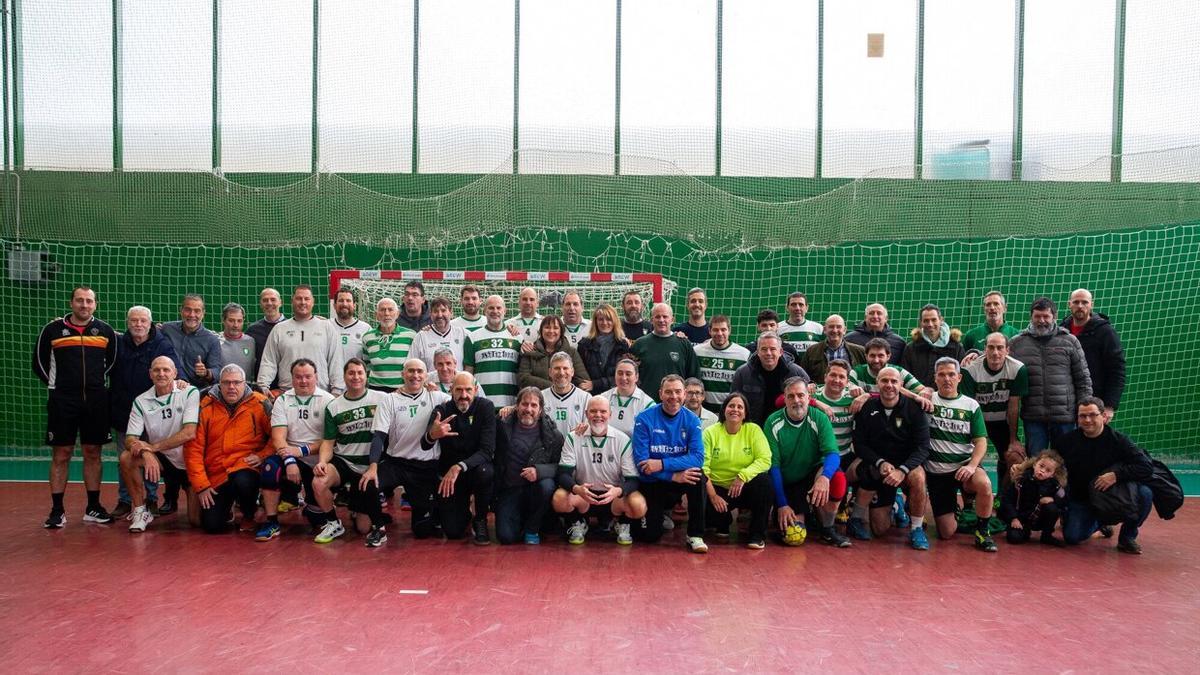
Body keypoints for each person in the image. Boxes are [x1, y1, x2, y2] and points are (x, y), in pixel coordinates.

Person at [34, 286, 118, 528]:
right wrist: (59, 388)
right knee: (62, 454)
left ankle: (93, 507)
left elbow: (111, 363)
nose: (84, 305)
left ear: (95, 304)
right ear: (71, 303)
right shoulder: (52, 330)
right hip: (63, 401)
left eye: (89, 301)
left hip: (95, 401)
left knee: (93, 452)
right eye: (80, 300)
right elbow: (39, 363)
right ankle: (57, 510)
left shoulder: (105, 331)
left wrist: (95, 386)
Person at [364, 358, 451, 544]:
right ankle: (378, 529)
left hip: (425, 468)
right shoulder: (390, 400)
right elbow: (379, 436)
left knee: (422, 532)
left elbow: (465, 400)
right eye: (411, 371)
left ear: (426, 375)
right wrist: (372, 467)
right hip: (397, 463)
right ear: (403, 374)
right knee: (369, 483)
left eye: (420, 371)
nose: (415, 375)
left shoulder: (437, 397)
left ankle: (430, 516)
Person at [847, 367, 932, 550]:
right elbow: (860, 444)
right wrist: (880, 462)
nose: (889, 385)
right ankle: (890, 506)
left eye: (894, 381)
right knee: (880, 529)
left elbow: (923, 448)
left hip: (905, 463)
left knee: (918, 477)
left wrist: (903, 470)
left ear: (901, 385)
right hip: (880, 463)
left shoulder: (914, 409)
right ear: (877, 384)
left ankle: (916, 528)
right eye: (884, 381)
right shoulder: (867, 407)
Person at [1056, 397, 1153, 554]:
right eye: (1082, 416)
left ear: (1104, 416)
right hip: (1083, 499)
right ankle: (1100, 523)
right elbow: (1049, 461)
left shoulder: (1120, 441)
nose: (1088, 420)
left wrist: (1116, 475)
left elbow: (1146, 466)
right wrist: (1023, 467)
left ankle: (1127, 537)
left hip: (1113, 496)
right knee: (1072, 537)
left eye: (1093, 415)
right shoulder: (1066, 441)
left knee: (1145, 494)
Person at [109, 305, 181, 517]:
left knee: (150, 456)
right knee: (126, 456)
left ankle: (150, 499)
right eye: (134, 321)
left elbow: (173, 370)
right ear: (127, 323)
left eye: (142, 321)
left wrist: (182, 381)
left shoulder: (161, 344)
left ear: (150, 324)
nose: (138, 325)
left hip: (153, 412)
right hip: (123, 409)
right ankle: (124, 500)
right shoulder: (117, 343)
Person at [311, 358, 391, 545]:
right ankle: (333, 523)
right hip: (345, 462)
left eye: (359, 372)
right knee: (319, 481)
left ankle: (361, 507)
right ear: (344, 377)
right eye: (351, 373)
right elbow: (329, 441)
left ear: (366, 375)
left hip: (372, 464)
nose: (356, 377)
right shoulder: (334, 406)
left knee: (363, 529)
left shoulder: (382, 399)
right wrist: (322, 461)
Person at [254, 359, 336, 541]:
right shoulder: (283, 400)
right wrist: (291, 460)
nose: (303, 381)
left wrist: (302, 451)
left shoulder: (328, 401)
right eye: (298, 377)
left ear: (316, 377)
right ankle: (272, 522)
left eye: (308, 376)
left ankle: (314, 506)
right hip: (289, 456)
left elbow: (330, 439)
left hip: (318, 459)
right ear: (292, 379)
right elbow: (278, 438)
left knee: (317, 519)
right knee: (269, 468)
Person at [184, 364, 271, 534]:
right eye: (227, 383)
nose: (232, 387)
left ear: (245, 383)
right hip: (217, 473)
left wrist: (262, 455)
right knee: (212, 526)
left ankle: (248, 514)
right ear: (219, 384)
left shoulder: (260, 403)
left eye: (237, 382)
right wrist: (201, 486)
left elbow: (278, 436)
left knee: (243, 481)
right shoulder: (205, 407)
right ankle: (227, 507)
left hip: (245, 466)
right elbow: (192, 450)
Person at [765, 378, 851, 547]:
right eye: (791, 396)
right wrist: (782, 504)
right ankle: (803, 514)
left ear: (808, 397)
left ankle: (828, 528)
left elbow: (833, 454)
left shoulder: (819, 417)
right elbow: (773, 467)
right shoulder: (773, 422)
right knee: (794, 536)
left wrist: (824, 478)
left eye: (800, 395)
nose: (796, 400)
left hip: (812, 474)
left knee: (838, 478)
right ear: (785, 398)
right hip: (788, 481)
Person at [923, 358, 998, 552]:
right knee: (947, 533)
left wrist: (972, 466)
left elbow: (981, 441)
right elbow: (899, 390)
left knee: (985, 484)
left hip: (963, 466)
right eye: (941, 375)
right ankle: (953, 509)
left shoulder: (971, 405)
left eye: (951, 374)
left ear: (959, 377)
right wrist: (922, 391)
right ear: (935, 378)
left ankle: (982, 531)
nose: (947, 379)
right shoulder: (927, 401)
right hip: (937, 473)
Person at [118, 356, 200, 532]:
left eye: (166, 370)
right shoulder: (141, 401)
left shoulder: (190, 392)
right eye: (156, 370)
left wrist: (151, 447)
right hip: (164, 460)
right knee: (127, 458)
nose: (161, 374)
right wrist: (146, 453)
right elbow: (130, 439)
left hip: (192, 462)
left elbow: (189, 433)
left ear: (175, 373)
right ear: (150, 374)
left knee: (197, 521)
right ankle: (141, 512)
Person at [631, 375, 708, 553]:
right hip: (653, 481)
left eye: (677, 392)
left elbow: (697, 458)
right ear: (660, 394)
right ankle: (659, 517)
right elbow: (642, 464)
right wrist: (672, 475)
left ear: (685, 394)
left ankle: (695, 534)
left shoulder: (692, 420)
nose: (673, 396)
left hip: (676, 478)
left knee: (698, 475)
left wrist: (662, 464)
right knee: (648, 536)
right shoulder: (644, 418)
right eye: (668, 392)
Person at [554, 396, 645, 545]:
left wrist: (618, 491)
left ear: (610, 414)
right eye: (593, 411)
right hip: (584, 496)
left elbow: (633, 480)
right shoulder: (574, 437)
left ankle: (621, 523)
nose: (598, 415)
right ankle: (578, 523)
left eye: (603, 411)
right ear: (586, 413)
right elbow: (563, 474)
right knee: (559, 498)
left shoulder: (622, 439)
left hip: (612, 497)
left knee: (638, 504)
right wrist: (577, 489)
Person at [422, 372, 498, 544]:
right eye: (459, 390)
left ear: (476, 390)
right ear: (451, 390)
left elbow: (487, 450)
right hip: (450, 476)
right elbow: (424, 445)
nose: (464, 395)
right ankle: (463, 512)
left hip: (474, 468)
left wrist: (459, 466)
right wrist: (433, 435)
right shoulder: (442, 410)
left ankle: (480, 520)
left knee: (485, 471)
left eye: (468, 390)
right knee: (453, 532)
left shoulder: (485, 407)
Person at [1009, 297, 1091, 455]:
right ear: (1031, 317)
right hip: (1033, 418)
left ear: (1054, 316)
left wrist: (1083, 412)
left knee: (1066, 464)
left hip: (1065, 418)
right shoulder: (1016, 344)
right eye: (1037, 316)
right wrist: (973, 354)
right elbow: (995, 357)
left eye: (1046, 316)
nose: (1041, 321)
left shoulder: (1070, 341)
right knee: (1035, 464)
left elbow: (1083, 380)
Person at [492, 387, 564, 545]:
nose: (528, 409)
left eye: (534, 405)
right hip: (509, 489)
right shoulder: (502, 426)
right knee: (506, 537)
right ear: (516, 406)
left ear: (541, 409)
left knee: (547, 485)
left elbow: (561, 467)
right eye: (524, 404)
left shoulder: (554, 435)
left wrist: (539, 471)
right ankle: (521, 521)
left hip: (536, 491)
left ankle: (533, 527)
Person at [702, 393, 774, 549]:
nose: (735, 410)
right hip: (718, 488)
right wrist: (713, 496)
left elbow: (765, 459)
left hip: (743, 487)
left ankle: (757, 535)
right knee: (710, 513)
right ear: (724, 410)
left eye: (740, 407)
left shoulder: (753, 430)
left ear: (745, 413)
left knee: (765, 482)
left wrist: (742, 476)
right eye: (731, 406)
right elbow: (703, 467)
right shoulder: (710, 432)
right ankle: (723, 521)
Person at [960, 332, 1028, 489]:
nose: (995, 352)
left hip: (1002, 422)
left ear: (1007, 350)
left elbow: (1013, 406)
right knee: (966, 457)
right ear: (984, 349)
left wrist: (1013, 439)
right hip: (978, 421)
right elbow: (969, 406)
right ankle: (969, 501)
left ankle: (1003, 499)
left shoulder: (1018, 369)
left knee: (1014, 456)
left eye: (1000, 348)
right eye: (991, 347)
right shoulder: (970, 369)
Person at [257, 285, 344, 396]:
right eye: (299, 298)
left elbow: (335, 361)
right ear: (292, 301)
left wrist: (337, 390)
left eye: (307, 299)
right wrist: (263, 386)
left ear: (313, 302)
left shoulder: (327, 327)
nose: (303, 302)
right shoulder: (279, 329)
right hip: (288, 394)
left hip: (320, 393)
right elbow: (269, 361)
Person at [1063, 289, 1125, 422]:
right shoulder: (1062, 330)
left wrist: (1109, 406)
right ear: (1069, 304)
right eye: (1076, 302)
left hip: (1094, 405)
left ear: (1092, 304)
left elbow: (1117, 370)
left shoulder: (1105, 332)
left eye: (1084, 302)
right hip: (1065, 405)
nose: (1080, 306)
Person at [730, 331, 809, 426]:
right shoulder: (742, 373)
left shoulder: (796, 372)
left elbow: (810, 398)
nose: (768, 353)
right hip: (753, 428)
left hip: (787, 429)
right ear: (758, 352)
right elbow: (733, 402)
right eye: (764, 349)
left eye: (772, 349)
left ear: (780, 352)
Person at [630, 303, 699, 401]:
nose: (661, 320)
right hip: (646, 404)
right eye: (657, 317)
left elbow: (693, 377)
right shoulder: (639, 344)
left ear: (672, 319)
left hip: (675, 406)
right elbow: (631, 376)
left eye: (665, 316)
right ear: (651, 320)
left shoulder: (684, 344)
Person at [464, 295, 523, 407]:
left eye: (498, 308)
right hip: (482, 405)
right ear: (484, 311)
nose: (495, 311)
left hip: (510, 406)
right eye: (491, 308)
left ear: (505, 311)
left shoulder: (517, 338)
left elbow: (522, 372)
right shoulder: (472, 338)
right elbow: (468, 373)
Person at [999, 451, 1067, 546]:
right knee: (1014, 538)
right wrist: (1013, 518)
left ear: (1052, 474)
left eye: (1048, 470)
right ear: (1035, 464)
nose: (1042, 471)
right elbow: (1006, 500)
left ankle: (1046, 536)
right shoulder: (1020, 480)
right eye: (1041, 466)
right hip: (1020, 518)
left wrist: (1054, 499)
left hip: (1038, 518)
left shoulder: (1055, 485)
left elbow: (1064, 499)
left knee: (1052, 508)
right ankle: (1024, 531)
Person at [161, 293, 222, 388]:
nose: (192, 315)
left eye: (197, 311)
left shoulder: (212, 340)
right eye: (188, 310)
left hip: (196, 392)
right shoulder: (167, 329)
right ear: (181, 310)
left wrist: (206, 372)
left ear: (203, 313)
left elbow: (217, 371)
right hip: (166, 389)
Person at [517, 315, 592, 391]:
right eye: (547, 327)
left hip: (564, 399)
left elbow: (583, 381)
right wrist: (553, 387)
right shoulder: (530, 350)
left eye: (555, 328)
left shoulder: (571, 352)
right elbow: (523, 378)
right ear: (541, 330)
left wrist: (564, 388)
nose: (551, 331)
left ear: (561, 331)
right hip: (536, 399)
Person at [693, 315, 750, 413]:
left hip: (730, 412)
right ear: (709, 331)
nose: (719, 333)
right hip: (704, 412)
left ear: (729, 330)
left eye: (723, 329)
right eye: (715, 330)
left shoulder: (744, 355)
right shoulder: (697, 351)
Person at [901, 303, 965, 387]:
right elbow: (906, 377)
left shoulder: (956, 347)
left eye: (934, 320)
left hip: (948, 398)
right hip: (920, 397)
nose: (930, 324)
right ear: (921, 322)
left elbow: (962, 376)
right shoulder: (910, 348)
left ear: (941, 320)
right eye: (926, 320)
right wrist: (921, 391)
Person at [808, 359, 858, 465]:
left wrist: (865, 395)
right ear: (825, 377)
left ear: (848, 382)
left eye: (841, 377)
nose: (836, 380)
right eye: (833, 375)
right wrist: (816, 402)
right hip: (819, 457)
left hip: (845, 454)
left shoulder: (853, 398)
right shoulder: (813, 395)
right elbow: (784, 400)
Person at [361, 297, 416, 392]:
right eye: (382, 310)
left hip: (401, 389)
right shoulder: (367, 337)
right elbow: (367, 365)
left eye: (390, 310)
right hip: (374, 389)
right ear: (376, 315)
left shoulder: (411, 336)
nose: (386, 313)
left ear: (397, 314)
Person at [576, 303, 633, 394]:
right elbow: (578, 373)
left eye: (608, 319)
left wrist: (595, 384)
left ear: (614, 321)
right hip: (591, 396)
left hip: (616, 394)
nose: (605, 323)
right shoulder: (585, 345)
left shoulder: (623, 345)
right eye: (601, 319)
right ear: (595, 322)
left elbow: (626, 374)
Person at [539, 352, 593, 446]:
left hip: (576, 451)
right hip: (548, 452)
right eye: (557, 368)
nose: (561, 372)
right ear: (550, 372)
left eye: (565, 368)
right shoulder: (540, 396)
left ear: (572, 371)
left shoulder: (586, 398)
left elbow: (591, 429)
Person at [800, 314, 867, 383]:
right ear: (825, 330)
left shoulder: (859, 351)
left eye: (838, 327)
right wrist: (810, 384)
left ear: (844, 330)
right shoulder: (812, 351)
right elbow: (803, 377)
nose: (835, 330)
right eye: (831, 327)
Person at [410, 296, 468, 372]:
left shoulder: (463, 334)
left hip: (458, 383)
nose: (440, 315)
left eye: (443, 310)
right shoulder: (421, 337)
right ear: (430, 314)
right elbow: (411, 365)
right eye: (436, 311)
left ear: (451, 313)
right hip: (430, 383)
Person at [598, 359, 653, 437]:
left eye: (628, 374)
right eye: (620, 373)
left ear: (636, 377)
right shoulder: (603, 398)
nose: (623, 378)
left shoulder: (647, 404)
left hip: (634, 448)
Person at [246, 287, 286, 384]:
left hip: (286, 385)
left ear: (281, 302)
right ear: (261, 304)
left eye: (273, 299)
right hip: (262, 385)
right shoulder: (252, 330)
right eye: (265, 300)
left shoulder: (291, 327)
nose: (269, 303)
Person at [330, 288, 370, 365]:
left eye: (348, 301)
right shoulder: (326, 326)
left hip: (355, 376)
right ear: (334, 305)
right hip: (331, 376)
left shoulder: (366, 329)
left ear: (354, 305)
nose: (344, 304)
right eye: (341, 300)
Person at [218, 302, 256, 379]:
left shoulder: (251, 342)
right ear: (223, 320)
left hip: (245, 389)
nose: (236, 325)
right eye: (231, 320)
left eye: (239, 321)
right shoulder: (215, 340)